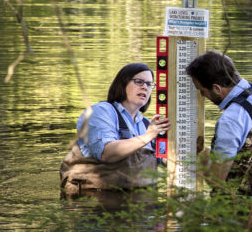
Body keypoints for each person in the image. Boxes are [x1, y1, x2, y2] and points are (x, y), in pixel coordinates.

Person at [185, 50, 252, 205]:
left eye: (202, 91)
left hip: (241, 211)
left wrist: (204, 163)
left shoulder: (230, 120)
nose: (202, 96)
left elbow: (218, 182)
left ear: (217, 88)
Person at [59, 63, 170, 196]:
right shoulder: (100, 112)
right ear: (122, 84)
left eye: (149, 84)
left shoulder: (147, 124)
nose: (145, 87)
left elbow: (166, 160)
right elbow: (107, 153)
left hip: (139, 202)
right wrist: (148, 136)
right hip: (94, 201)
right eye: (139, 82)